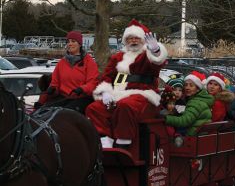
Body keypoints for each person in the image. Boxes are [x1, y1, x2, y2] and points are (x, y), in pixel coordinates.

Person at [86, 19, 168, 148]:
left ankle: (124, 140)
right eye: (130, 38)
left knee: (125, 106)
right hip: (119, 94)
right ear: (125, 40)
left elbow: (157, 64)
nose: (133, 41)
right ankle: (104, 138)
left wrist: (156, 51)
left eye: (137, 38)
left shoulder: (146, 56)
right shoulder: (118, 57)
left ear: (143, 40)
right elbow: (107, 76)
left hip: (144, 95)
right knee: (94, 108)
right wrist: (106, 91)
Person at [45, 30, 99, 113]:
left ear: (80, 44)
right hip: (64, 97)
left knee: (65, 114)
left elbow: (93, 83)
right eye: (68, 41)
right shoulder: (61, 63)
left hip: (82, 98)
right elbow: (55, 82)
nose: (70, 44)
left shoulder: (89, 62)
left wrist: (82, 89)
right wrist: (52, 89)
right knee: (45, 111)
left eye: (73, 41)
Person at [165, 71, 214, 136]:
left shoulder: (196, 102)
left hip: (192, 135)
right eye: (186, 85)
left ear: (198, 89)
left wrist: (166, 118)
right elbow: (191, 115)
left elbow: (184, 121)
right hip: (198, 134)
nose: (187, 88)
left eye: (191, 85)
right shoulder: (199, 99)